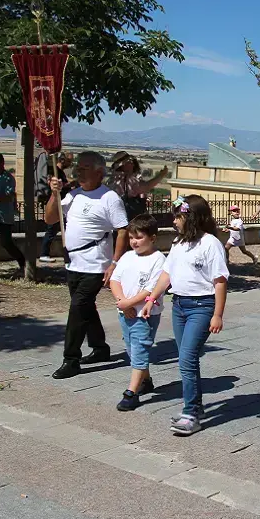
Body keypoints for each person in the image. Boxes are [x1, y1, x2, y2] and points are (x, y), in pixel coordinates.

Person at [142, 195, 229, 436]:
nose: (175, 220)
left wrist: (218, 315)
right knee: (186, 358)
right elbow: (166, 275)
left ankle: (191, 413)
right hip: (179, 306)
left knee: (187, 358)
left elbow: (220, 281)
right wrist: (151, 298)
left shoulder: (211, 244)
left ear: (191, 217)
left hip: (201, 307)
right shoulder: (179, 243)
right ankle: (197, 408)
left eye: (179, 215)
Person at [46, 151, 130, 379]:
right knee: (86, 309)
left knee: (77, 310)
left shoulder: (109, 198)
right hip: (73, 263)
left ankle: (70, 359)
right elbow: (50, 219)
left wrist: (115, 262)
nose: (78, 172)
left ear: (99, 172)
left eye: (84, 168)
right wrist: (54, 194)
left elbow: (122, 229)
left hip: (95, 266)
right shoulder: (73, 195)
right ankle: (100, 348)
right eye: (78, 168)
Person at [109, 214, 166, 411]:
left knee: (140, 348)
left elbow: (150, 289)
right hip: (125, 311)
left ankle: (131, 392)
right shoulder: (127, 257)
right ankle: (145, 380)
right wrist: (122, 303)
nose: (134, 242)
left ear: (152, 238)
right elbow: (115, 280)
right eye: (132, 238)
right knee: (131, 348)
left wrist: (130, 304)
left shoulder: (159, 260)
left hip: (145, 313)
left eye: (139, 237)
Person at [106, 152, 169, 220]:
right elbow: (146, 187)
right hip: (127, 219)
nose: (133, 164)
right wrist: (161, 175)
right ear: (123, 165)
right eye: (129, 162)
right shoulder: (128, 179)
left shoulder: (112, 179)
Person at [40, 152, 71, 262]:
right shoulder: (55, 172)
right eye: (69, 161)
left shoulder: (59, 172)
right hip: (55, 204)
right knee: (51, 230)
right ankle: (44, 253)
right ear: (62, 160)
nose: (70, 164)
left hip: (61, 204)